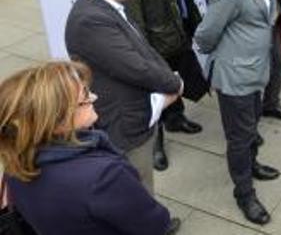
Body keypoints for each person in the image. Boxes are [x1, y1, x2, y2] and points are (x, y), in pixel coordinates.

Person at [0, 61, 180, 235]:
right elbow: (154, 225)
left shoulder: (16, 159)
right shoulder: (104, 176)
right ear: (57, 118)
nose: (94, 97)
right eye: (85, 94)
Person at [64, 0, 184, 195]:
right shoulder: (90, 19)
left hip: (135, 114)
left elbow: (143, 50)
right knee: (137, 188)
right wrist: (174, 84)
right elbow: (136, 66)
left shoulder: (108, 6)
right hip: (123, 126)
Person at [194, 0, 281, 226]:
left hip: (255, 70)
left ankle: (252, 163)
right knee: (239, 136)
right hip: (235, 77)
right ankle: (244, 193)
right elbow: (205, 35)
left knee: (251, 129)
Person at [121, 0, 207, 173]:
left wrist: (195, 23)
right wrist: (144, 50)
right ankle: (155, 143)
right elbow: (134, 13)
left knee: (177, 78)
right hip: (155, 40)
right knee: (156, 88)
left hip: (175, 31)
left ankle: (176, 118)